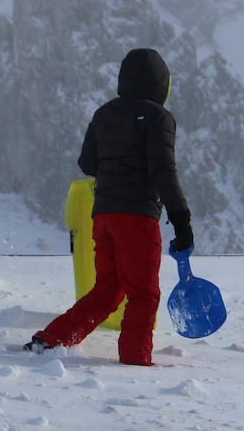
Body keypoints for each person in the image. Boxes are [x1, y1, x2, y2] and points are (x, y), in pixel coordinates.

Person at [25, 48, 193, 366]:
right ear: (162, 84)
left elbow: (87, 163)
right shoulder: (159, 118)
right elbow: (163, 172)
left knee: (108, 289)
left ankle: (50, 340)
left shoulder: (104, 113)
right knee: (143, 294)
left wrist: (115, 167)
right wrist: (181, 220)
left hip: (103, 216)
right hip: (137, 219)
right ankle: (135, 361)